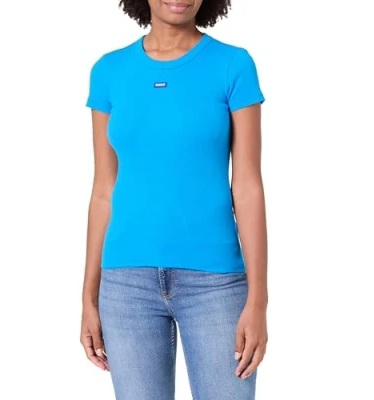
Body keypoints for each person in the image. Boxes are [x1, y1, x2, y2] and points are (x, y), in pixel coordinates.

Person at [80, 1, 268, 399]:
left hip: (215, 284)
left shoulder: (233, 65)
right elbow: (103, 190)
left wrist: (258, 300)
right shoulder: (109, 71)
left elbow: (247, 186)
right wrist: (88, 297)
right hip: (125, 285)